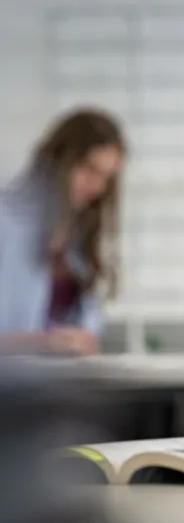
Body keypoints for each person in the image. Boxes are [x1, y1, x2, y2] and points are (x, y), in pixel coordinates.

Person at [0, 108, 125, 356]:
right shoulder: (6, 222)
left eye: (106, 178)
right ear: (58, 159)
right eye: (90, 169)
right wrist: (41, 344)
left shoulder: (78, 239)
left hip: (58, 388)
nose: (97, 187)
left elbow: (87, 331)